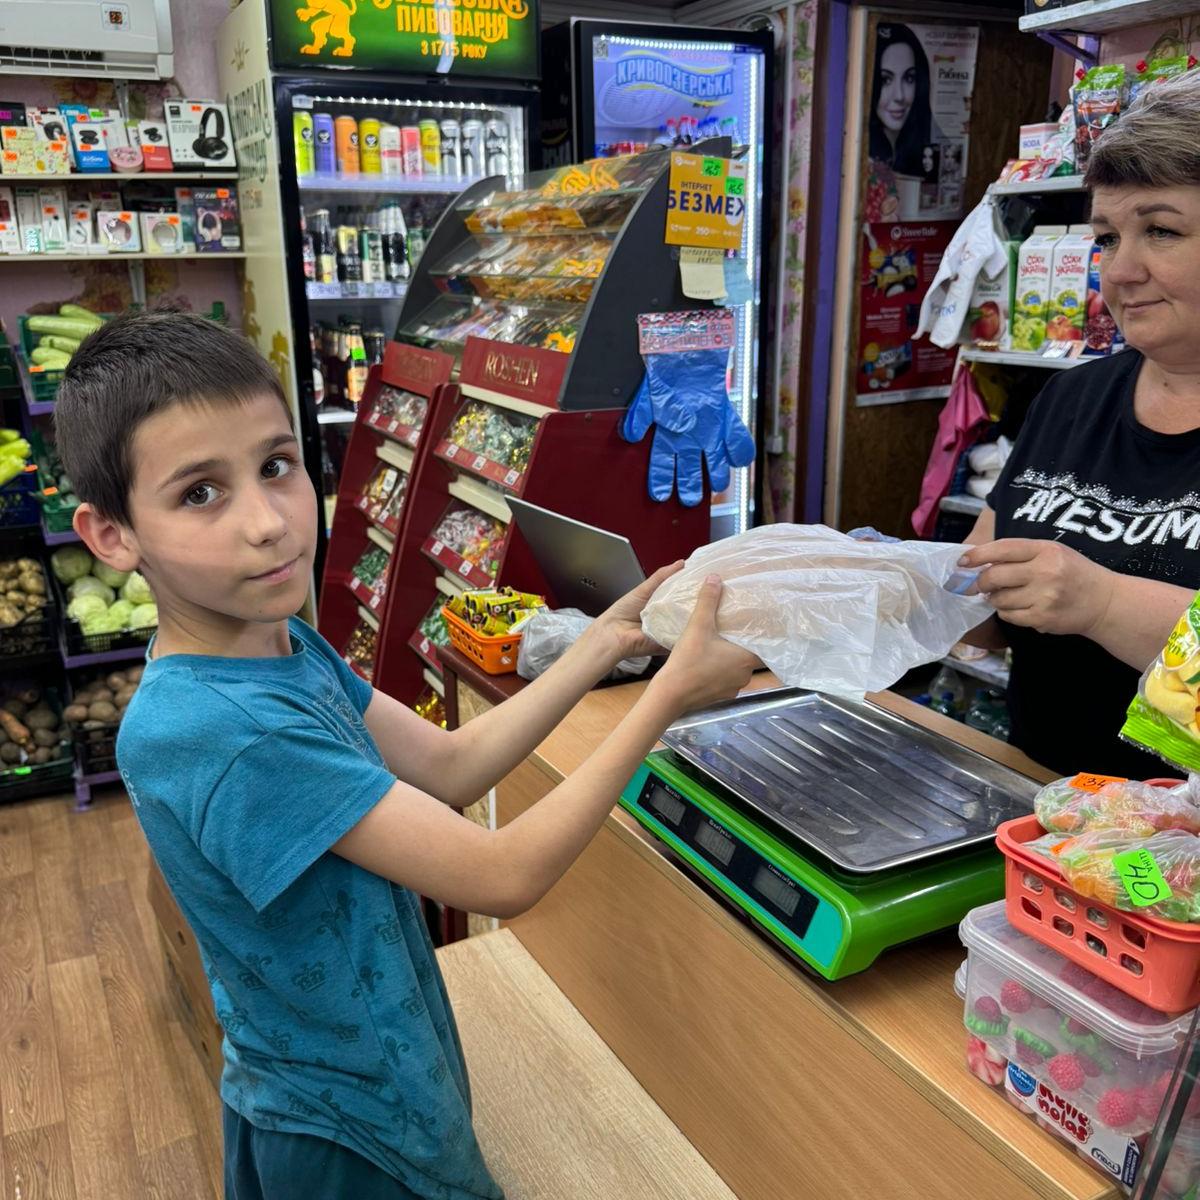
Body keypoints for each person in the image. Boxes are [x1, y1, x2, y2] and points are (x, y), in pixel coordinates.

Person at [53, 310, 759, 1200]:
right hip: (343, 1130)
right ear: (112, 535)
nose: (269, 523)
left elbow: (453, 765)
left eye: (275, 467)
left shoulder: (276, 645)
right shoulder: (224, 731)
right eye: (201, 493)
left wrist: (602, 642)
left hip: (382, 1069)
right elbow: (501, 875)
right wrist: (668, 698)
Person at [959, 71, 1200, 779]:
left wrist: (1102, 601)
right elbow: (981, 595)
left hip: (1170, 865)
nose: (1119, 271)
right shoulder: (1074, 397)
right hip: (1044, 816)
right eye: (1105, 237)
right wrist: (894, 585)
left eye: (1160, 230)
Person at [868, 23, 935, 180]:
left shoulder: (927, 147)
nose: (899, 96)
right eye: (885, 80)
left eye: (909, 78)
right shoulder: (857, 153)